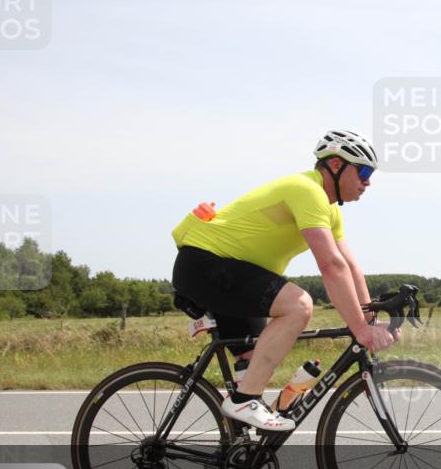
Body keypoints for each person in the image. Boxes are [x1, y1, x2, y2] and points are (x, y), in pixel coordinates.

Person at [171, 129, 398, 431]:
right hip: (206, 265)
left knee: (254, 364)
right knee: (298, 305)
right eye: (364, 172)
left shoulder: (330, 210)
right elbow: (330, 265)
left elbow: (349, 266)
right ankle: (244, 401)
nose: (367, 182)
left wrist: (369, 320)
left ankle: (242, 446)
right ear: (335, 164)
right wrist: (360, 329)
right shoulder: (306, 190)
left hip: (232, 273)